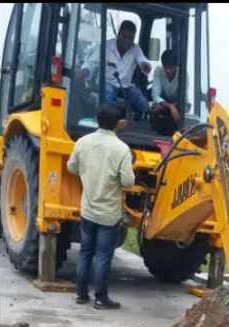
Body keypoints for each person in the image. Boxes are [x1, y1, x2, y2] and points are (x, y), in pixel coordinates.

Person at [66, 105, 135, 310]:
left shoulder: (83, 142)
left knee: (85, 252)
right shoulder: (122, 149)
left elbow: (71, 167)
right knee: (103, 256)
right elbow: (128, 182)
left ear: (97, 121)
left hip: (87, 209)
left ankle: (80, 295)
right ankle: (100, 299)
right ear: (117, 124)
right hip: (109, 214)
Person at [81, 20, 152, 119]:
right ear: (119, 35)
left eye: (131, 38)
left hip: (125, 87)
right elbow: (92, 63)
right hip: (107, 83)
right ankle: (110, 124)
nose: (127, 41)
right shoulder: (107, 46)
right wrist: (84, 72)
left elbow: (142, 60)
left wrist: (145, 66)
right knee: (109, 100)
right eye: (125, 36)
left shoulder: (135, 49)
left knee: (143, 104)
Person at [151, 50, 185, 135]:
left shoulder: (183, 75)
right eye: (165, 67)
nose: (168, 70)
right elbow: (155, 95)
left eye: (171, 68)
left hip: (176, 104)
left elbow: (184, 99)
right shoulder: (158, 70)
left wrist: (174, 106)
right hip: (163, 103)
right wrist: (170, 106)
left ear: (176, 66)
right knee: (154, 107)